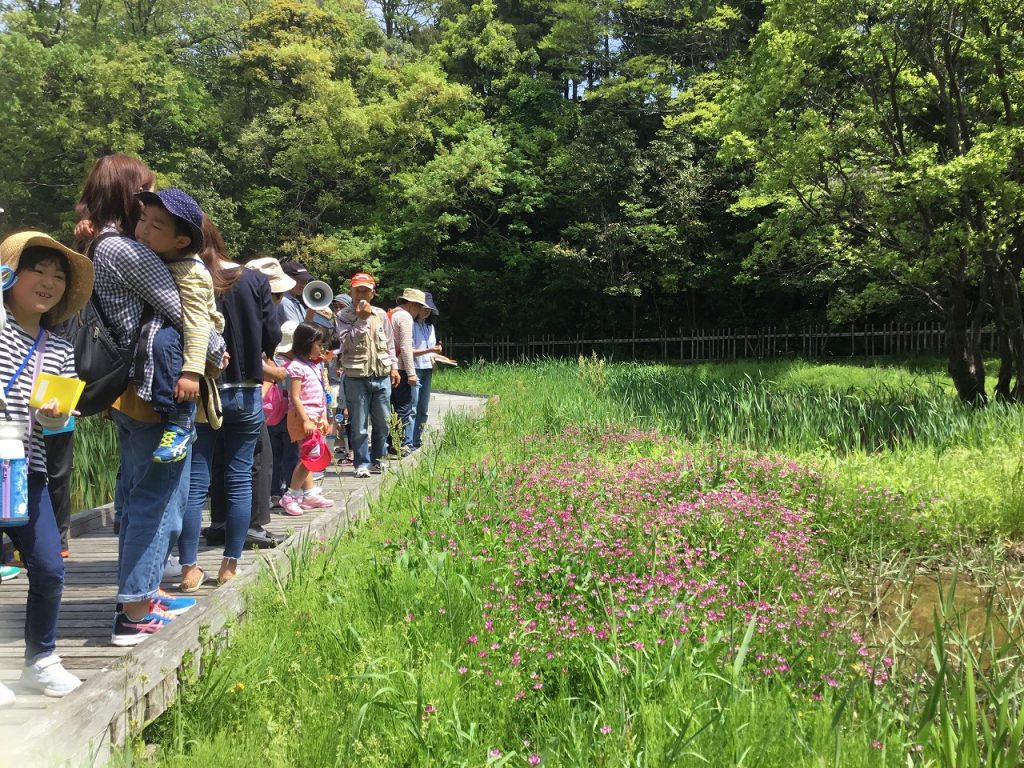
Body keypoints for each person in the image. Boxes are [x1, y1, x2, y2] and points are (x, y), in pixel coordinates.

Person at [75, 154, 223, 646]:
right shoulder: (125, 250)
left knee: (161, 499)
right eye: (144, 195)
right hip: (151, 394)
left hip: (138, 392)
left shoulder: (102, 243)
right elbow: (187, 312)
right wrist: (217, 348)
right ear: (127, 193)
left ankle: (144, 594)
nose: (146, 214)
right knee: (155, 504)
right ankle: (134, 611)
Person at [0, 231, 93, 704]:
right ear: (11, 273)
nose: (49, 282)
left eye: (59, 277)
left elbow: (55, 429)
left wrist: (60, 419)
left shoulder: (57, 347)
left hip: (25, 470)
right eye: (38, 270)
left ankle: (40, 659)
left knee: (48, 564)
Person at [177, 218, 281, 590]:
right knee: (239, 478)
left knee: (195, 482)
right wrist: (260, 353)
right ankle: (229, 565)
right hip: (247, 390)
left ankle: (189, 568)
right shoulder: (252, 279)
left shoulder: (185, 274)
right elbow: (273, 331)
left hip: (204, 390)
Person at [134, 189, 224, 463]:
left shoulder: (191, 272)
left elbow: (197, 323)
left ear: (181, 240)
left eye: (156, 225)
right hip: (177, 328)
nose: (143, 229)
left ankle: (181, 421)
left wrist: (192, 373)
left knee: (164, 341)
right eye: (142, 219)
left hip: (197, 334)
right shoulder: (161, 255)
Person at [337, 272, 399, 478]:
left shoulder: (381, 314)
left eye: (366, 290)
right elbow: (346, 344)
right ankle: (361, 463)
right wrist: (361, 321)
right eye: (357, 290)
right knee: (359, 424)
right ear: (351, 291)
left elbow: (390, 344)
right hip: (356, 376)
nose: (361, 294)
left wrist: (395, 367)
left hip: (381, 374)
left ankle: (378, 460)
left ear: (373, 293)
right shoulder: (343, 316)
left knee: (383, 422)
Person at [279, 324, 335, 515]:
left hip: (316, 418)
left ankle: (309, 494)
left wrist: (324, 417)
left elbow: (322, 394)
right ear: (307, 344)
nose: (322, 349)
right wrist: (305, 420)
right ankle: (290, 495)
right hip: (303, 418)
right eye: (318, 344)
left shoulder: (315, 365)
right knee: (309, 457)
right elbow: (295, 397)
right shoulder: (296, 367)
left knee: (311, 455)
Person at [389, 289, 427, 455]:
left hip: (388, 368)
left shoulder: (390, 314)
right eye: (419, 307)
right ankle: (402, 444)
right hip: (400, 368)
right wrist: (411, 373)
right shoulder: (405, 317)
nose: (420, 312)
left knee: (390, 408)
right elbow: (405, 347)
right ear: (412, 305)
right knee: (403, 407)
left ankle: (390, 443)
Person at [411, 292, 442, 449]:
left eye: (429, 309)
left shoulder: (430, 327)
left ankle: (417, 439)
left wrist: (437, 352)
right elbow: (408, 350)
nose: (426, 311)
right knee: (412, 407)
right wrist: (430, 349)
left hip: (428, 367)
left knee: (423, 407)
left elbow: (431, 349)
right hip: (414, 368)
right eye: (424, 308)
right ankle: (408, 441)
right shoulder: (410, 324)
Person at [278, 261, 312, 325]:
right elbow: (297, 333)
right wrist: (310, 313)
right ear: (286, 279)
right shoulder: (285, 302)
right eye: (299, 280)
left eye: (305, 281)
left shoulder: (295, 302)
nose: (303, 285)